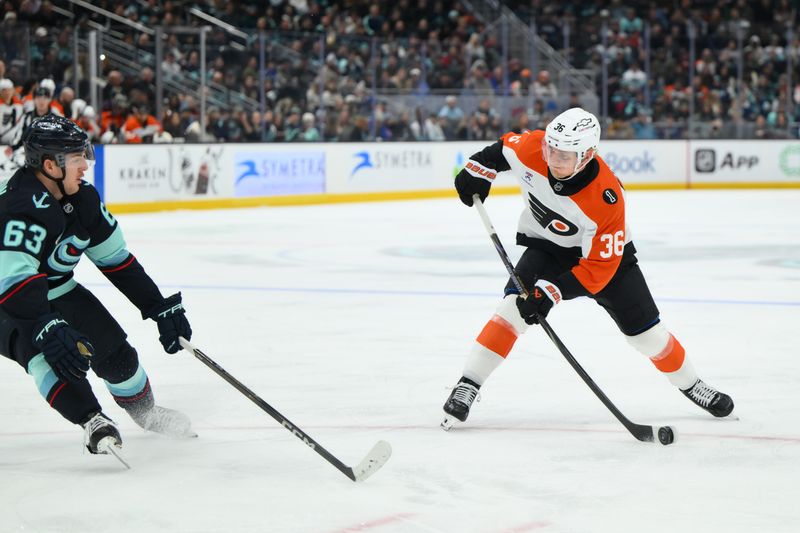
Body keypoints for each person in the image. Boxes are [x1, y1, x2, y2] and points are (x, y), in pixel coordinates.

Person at [442, 107, 734, 429]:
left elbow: (598, 267)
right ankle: (468, 384)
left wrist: (551, 292)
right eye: (551, 149)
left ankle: (692, 384)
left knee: (648, 338)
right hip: (548, 247)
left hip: (607, 262)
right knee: (511, 309)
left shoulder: (606, 198)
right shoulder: (533, 148)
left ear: (586, 155)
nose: (553, 159)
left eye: (564, 155)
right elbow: (501, 149)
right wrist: (478, 169)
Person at [0, 115, 194, 460]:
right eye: (77, 158)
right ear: (50, 165)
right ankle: (91, 419)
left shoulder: (83, 199)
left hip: (56, 288)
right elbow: (12, 280)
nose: (85, 165)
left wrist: (157, 305)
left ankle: (147, 413)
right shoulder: (18, 205)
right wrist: (45, 325)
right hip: (7, 298)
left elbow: (116, 260)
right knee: (47, 353)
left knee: (115, 352)